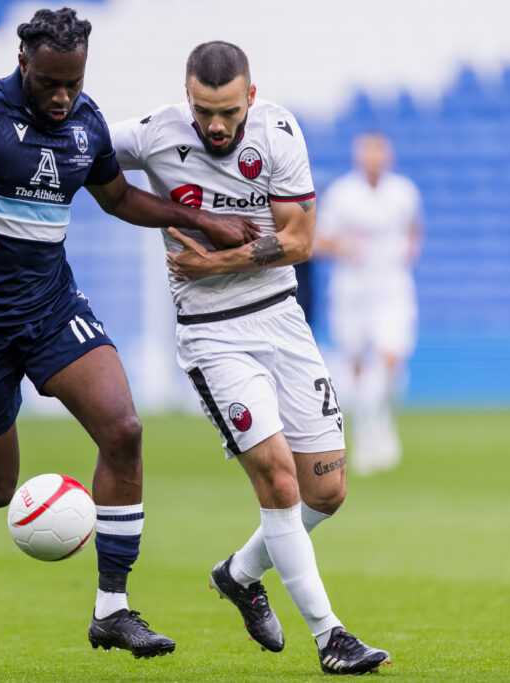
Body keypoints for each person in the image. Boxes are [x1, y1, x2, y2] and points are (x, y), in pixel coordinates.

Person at [0, 8, 258, 659]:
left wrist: (202, 221)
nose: (61, 97)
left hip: (51, 306)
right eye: (49, 83)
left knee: (124, 430)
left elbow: (119, 197)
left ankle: (113, 609)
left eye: (71, 83)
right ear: (25, 65)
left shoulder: (85, 119)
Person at [109, 41, 390, 675]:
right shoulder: (154, 132)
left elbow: (299, 240)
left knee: (327, 490)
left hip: (282, 320)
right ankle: (331, 637)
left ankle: (238, 574)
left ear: (250, 98)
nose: (215, 124)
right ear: (188, 97)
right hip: (212, 334)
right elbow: (81, 143)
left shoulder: (280, 133)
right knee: (279, 477)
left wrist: (215, 258)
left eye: (228, 112)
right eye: (204, 110)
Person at [315, 133, 422, 475]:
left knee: (392, 357)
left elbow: (413, 230)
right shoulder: (343, 194)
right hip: (353, 290)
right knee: (357, 363)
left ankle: (383, 423)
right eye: (368, 152)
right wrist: (344, 247)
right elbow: (320, 240)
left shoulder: (404, 192)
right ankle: (365, 433)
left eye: (379, 152)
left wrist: (410, 250)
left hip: (392, 286)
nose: (374, 158)